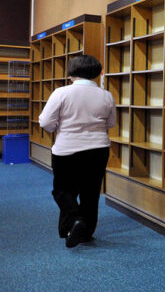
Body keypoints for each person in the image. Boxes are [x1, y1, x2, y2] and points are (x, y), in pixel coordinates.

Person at [38, 54, 116, 248]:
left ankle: (74, 222)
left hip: (67, 150)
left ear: (71, 73)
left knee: (63, 190)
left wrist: (59, 127)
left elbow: (46, 122)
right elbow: (112, 123)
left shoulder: (61, 92)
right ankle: (85, 232)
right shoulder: (106, 95)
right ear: (95, 73)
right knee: (91, 192)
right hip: (98, 149)